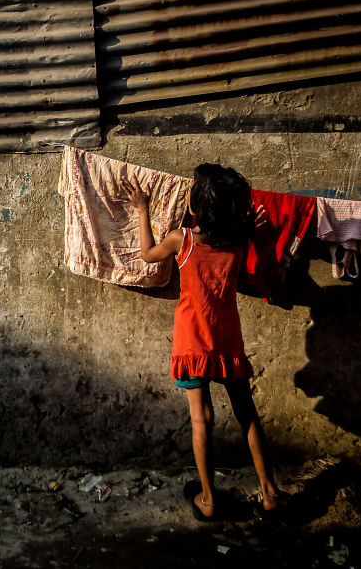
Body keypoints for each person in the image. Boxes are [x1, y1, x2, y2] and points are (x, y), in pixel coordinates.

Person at [120, 163, 287, 521]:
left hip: (192, 341)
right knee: (247, 414)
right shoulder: (239, 242)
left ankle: (208, 500)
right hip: (227, 341)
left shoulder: (184, 239)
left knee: (202, 419)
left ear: (196, 207)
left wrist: (142, 209)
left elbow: (149, 255)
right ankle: (270, 493)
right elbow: (250, 277)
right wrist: (254, 233)